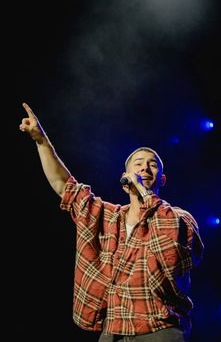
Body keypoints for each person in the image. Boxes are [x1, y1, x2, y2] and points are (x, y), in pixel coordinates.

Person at [19, 102, 204, 342]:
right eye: (138, 163)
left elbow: (168, 250)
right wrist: (41, 141)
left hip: (160, 329)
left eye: (152, 164)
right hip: (114, 330)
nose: (145, 167)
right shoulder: (109, 217)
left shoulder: (180, 218)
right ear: (124, 175)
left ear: (162, 178)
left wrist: (142, 189)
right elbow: (64, 185)